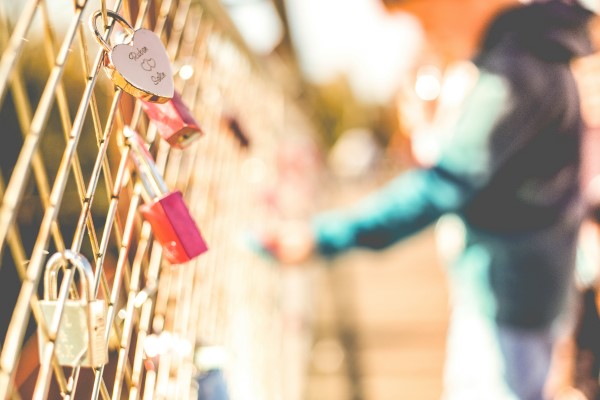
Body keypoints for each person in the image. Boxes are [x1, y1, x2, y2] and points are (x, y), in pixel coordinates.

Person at [262, 0, 599, 399]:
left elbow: (442, 186)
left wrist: (322, 237)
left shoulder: (515, 73)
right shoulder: (538, 53)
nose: (420, 28)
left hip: (506, 303)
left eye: (416, 11)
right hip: (530, 291)